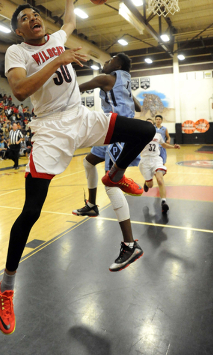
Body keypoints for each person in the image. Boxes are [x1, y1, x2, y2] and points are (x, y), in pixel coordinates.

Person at [0, 0, 155, 335]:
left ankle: (113, 175)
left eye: (35, 13)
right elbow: (20, 90)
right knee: (31, 211)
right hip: (50, 129)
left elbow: (69, 20)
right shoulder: (17, 53)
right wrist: (59, 59)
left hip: (81, 117)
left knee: (145, 131)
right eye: (25, 17)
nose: (33, 17)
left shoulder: (55, 37)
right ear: (19, 32)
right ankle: (6, 288)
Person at [72, 53, 143, 271]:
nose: (105, 62)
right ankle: (92, 206)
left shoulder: (106, 79)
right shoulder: (124, 82)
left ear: (118, 65)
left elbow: (75, 89)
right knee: (88, 161)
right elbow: (138, 108)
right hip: (109, 131)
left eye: (110, 59)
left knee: (111, 185)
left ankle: (130, 245)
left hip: (117, 134)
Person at [139, 118, 180, 213]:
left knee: (160, 179)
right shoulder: (140, 135)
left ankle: (163, 202)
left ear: (153, 126)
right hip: (145, 161)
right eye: (147, 124)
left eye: (151, 124)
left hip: (156, 159)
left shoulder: (158, 135)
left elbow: (164, 145)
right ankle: (146, 183)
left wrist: (173, 147)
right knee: (150, 185)